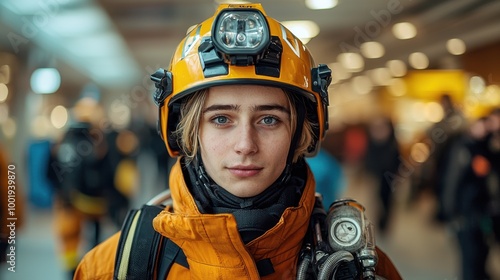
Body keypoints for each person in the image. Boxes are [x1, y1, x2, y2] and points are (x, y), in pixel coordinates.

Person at [74, 3, 402, 279]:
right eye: (221, 119)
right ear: (187, 131)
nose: (245, 145)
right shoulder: (110, 267)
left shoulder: (360, 268)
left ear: (301, 132)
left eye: (269, 119)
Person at [364, 116, 401, 234]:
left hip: (390, 176)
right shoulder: (375, 141)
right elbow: (369, 158)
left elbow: (397, 161)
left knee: (387, 200)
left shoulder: (392, 143)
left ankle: (384, 223)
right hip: (379, 175)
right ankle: (380, 222)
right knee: (378, 198)